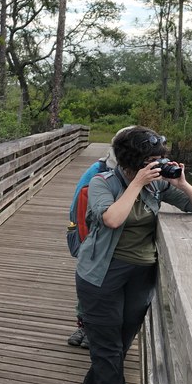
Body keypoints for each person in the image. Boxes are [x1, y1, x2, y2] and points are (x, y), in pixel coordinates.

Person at [76, 127, 192, 384]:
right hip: (101, 275)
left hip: (141, 275)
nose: (158, 165)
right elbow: (113, 218)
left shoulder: (157, 186)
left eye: (161, 159)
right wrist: (137, 183)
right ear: (134, 161)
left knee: (118, 343)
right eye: (152, 161)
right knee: (106, 346)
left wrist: (181, 183)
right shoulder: (103, 183)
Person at [66, 127, 131, 349]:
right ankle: (84, 326)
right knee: (90, 285)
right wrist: (79, 237)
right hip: (94, 237)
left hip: (125, 245)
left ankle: (100, 331)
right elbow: (77, 204)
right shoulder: (99, 169)